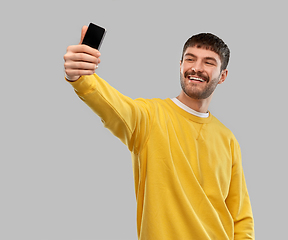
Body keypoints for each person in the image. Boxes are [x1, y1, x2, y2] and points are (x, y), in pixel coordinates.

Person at [63, 25, 254, 240]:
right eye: (190, 59)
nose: (196, 68)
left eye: (209, 62)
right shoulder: (149, 117)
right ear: (180, 65)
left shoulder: (228, 139)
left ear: (223, 75)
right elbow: (112, 105)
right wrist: (79, 76)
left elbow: (241, 217)